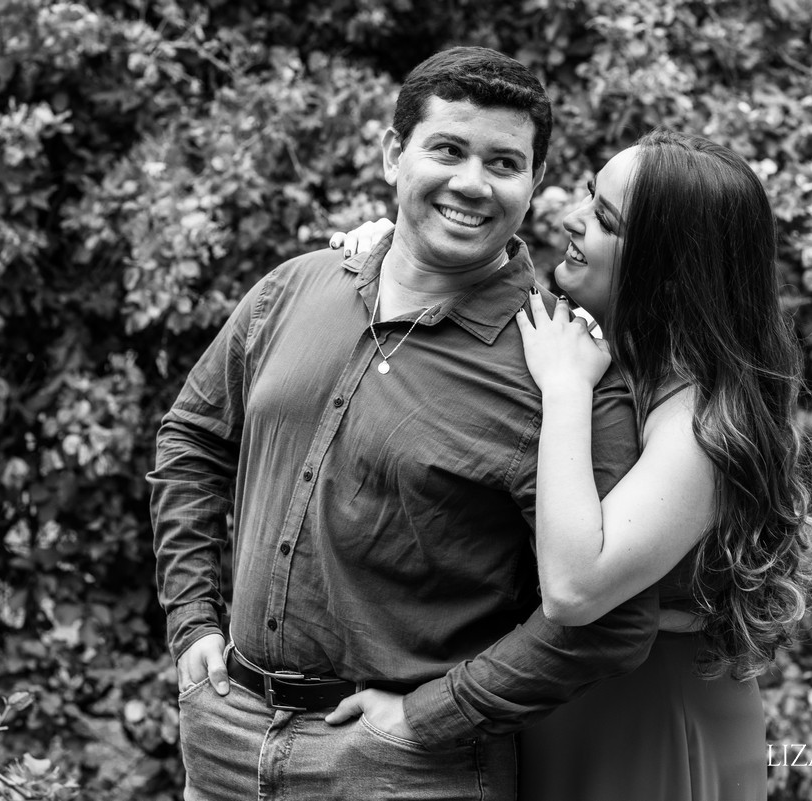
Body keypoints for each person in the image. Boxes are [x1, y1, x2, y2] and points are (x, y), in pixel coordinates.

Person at [148, 46, 659, 801]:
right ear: (394, 154)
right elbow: (192, 439)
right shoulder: (295, 287)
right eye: (447, 150)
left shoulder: (563, 368)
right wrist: (193, 619)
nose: (472, 183)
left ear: (534, 182)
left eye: (503, 163)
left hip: (406, 770)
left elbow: (609, 619)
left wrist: (433, 715)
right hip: (224, 736)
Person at [336, 129, 812, 800]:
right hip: (552, 707)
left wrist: (567, 391)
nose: (572, 216)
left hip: (646, 728)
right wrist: (399, 253)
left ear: (668, 268)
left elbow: (573, 588)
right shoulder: (603, 346)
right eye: (590, 193)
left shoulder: (704, 419)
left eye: (605, 220)